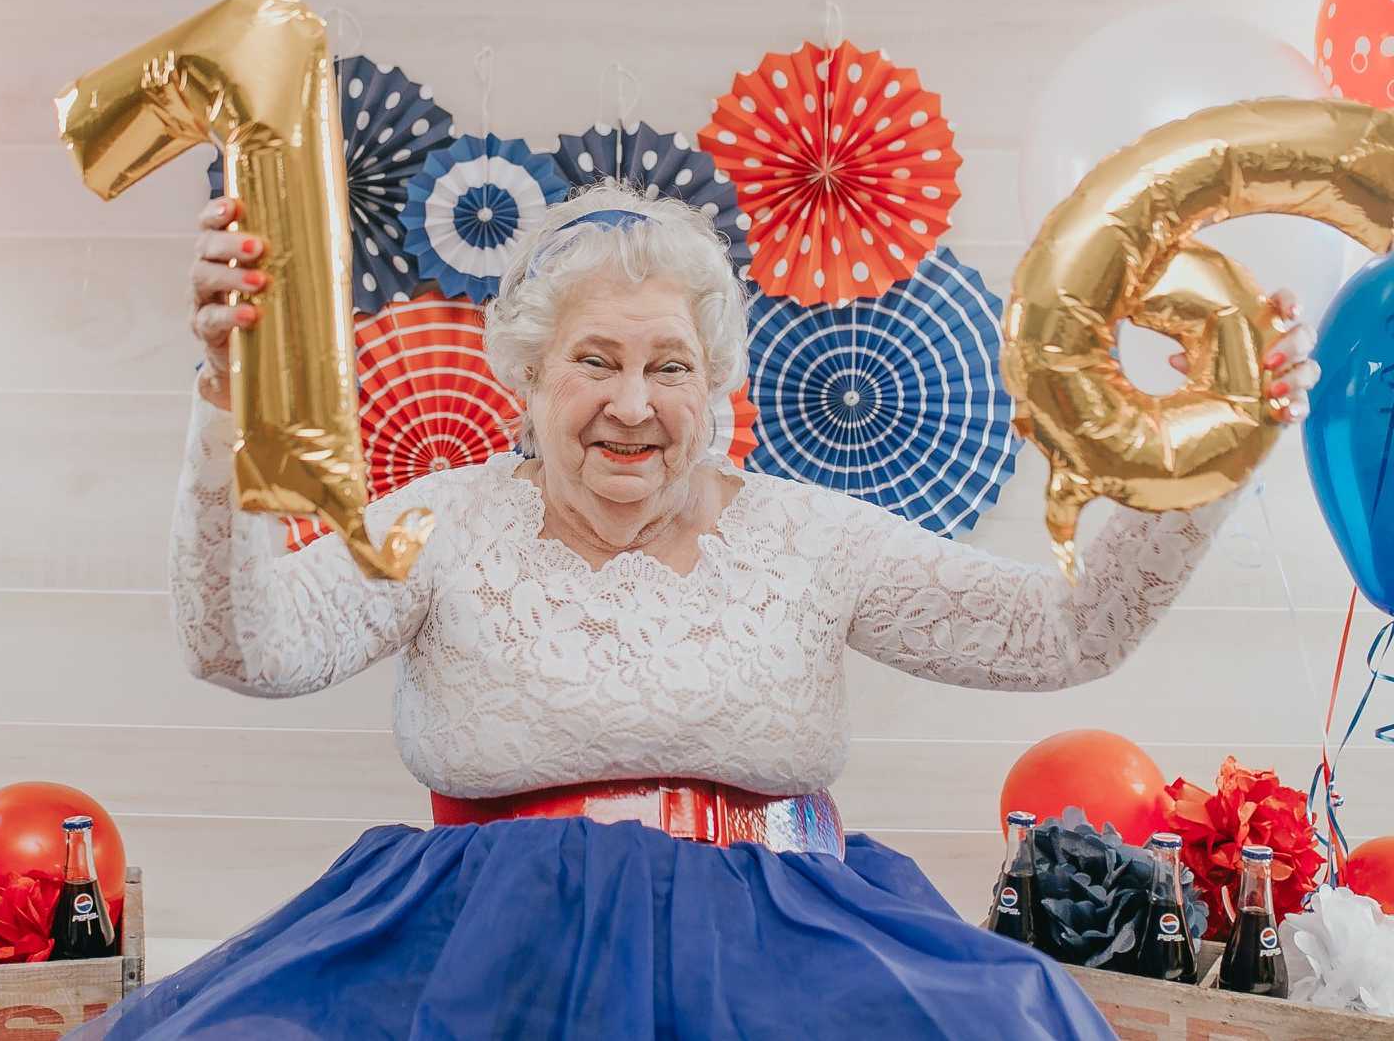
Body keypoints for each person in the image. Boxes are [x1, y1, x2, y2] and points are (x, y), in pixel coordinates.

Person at [80, 182, 1318, 1039]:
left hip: (794, 953)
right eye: (596, 363)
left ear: (715, 383)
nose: (634, 402)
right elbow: (241, 643)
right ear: (525, 378)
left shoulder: (808, 534)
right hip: (481, 962)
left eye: (669, 366)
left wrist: (1215, 441)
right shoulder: (442, 521)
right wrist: (226, 394)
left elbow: (1066, 632)